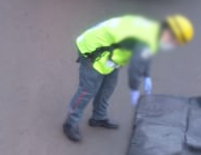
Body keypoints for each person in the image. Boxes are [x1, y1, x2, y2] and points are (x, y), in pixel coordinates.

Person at [63, 14, 194, 143]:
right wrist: (134, 88)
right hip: (92, 50)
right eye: (176, 40)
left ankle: (98, 117)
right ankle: (70, 122)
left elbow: (145, 56)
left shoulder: (153, 32)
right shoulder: (146, 39)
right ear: (169, 32)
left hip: (109, 55)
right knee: (88, 90)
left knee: (107, 88)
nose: (174, 44)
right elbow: (136, 66)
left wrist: (146, 75)